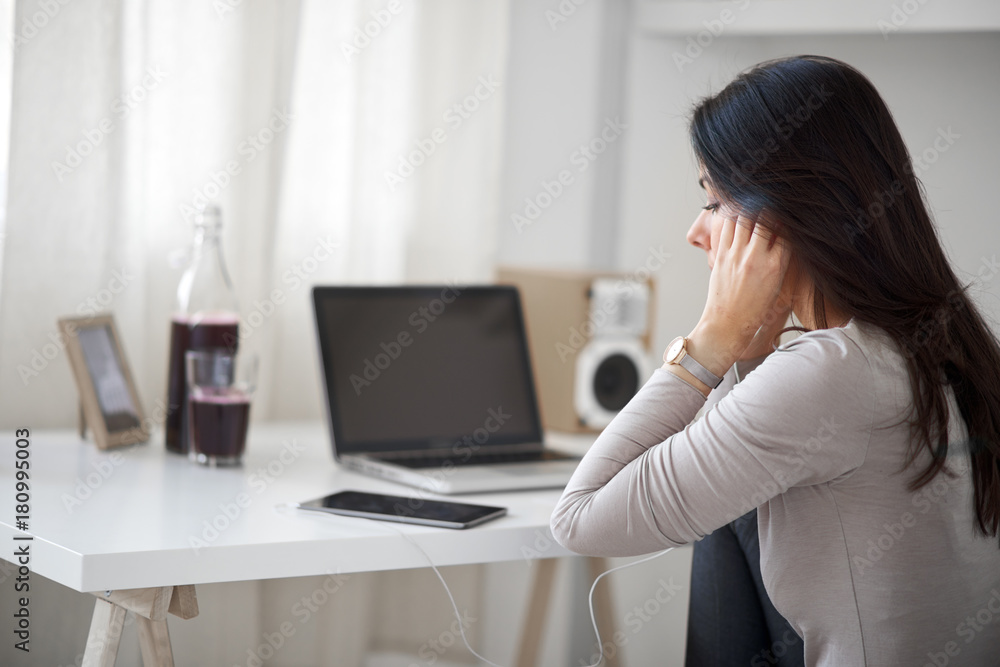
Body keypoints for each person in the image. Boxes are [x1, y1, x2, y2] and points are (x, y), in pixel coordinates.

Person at [550, 55, 1000, 666]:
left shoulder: (832, 372)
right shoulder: (942, 342)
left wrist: (711, 341)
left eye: (712, 201)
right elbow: (779, 454)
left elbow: (579, 519)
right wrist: (754, 350)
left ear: (781, 217)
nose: (695, 231)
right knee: (732, 516)